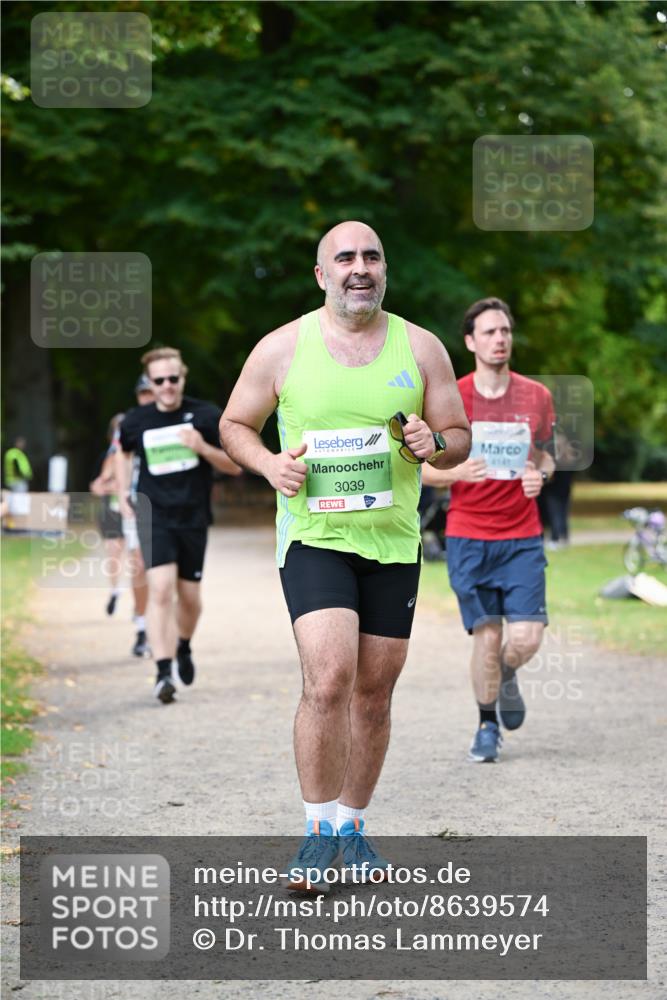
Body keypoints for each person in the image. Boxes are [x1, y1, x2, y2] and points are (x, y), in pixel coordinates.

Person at [220, 221, 471, 889]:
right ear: (321, 273)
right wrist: (270, 464)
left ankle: (352, 829)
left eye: (371, 256)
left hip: (392, 541)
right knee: (328, 679)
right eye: (345, 258)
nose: (359, 268)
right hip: (314, 537)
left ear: (383, 268)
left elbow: (458, 436)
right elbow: (234, 424)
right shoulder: (282, 347)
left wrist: (432, 442)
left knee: (373, 693)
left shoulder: (420, 347)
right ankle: (315, 833)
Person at [423, 296, 555, 764]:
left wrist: (542, 474)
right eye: (490, 332)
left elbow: (545, 453)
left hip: (521, 535)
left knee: (525, 638)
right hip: (468, 535)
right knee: (488, 634)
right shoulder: (451, 397)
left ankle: (505, 674)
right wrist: (453, 475)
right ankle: (486, 724)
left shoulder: (537, 396)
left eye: (505, 331)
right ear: (470, 341)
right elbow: (418, 470)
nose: (500, 339)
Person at [117, 348, 242, 703]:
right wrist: (127, 491)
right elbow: (122, 453)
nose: (167, 386)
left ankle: (184, 644)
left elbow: (234, 465)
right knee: (160, 589)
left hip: (193, 517)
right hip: (154, 516)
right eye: (160, 381)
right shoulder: (135, 421)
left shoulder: (204, 415)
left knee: (189, 599)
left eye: (173, 379)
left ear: (182, 378)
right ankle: (162, 671)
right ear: (150, 383)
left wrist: (202, 446)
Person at [118, 374, 155, 657]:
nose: (148, 397)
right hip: (138, 502)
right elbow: (119, 458)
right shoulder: (131, 423)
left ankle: (163, 627)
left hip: (171, 505)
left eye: (150, 391)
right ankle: (142, 626)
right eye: (143, 393)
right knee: (139, 564)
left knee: (166, 573)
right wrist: (121, 493)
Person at [90, 415, 126, 617]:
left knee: (138, 559)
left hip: (135, 512)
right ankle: (114, 591)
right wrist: (108, 485)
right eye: (116, 429)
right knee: (113, 554)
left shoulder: (138, 453)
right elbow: (95, 487)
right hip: (112, 512)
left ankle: (143, 603)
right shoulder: (106, 457)